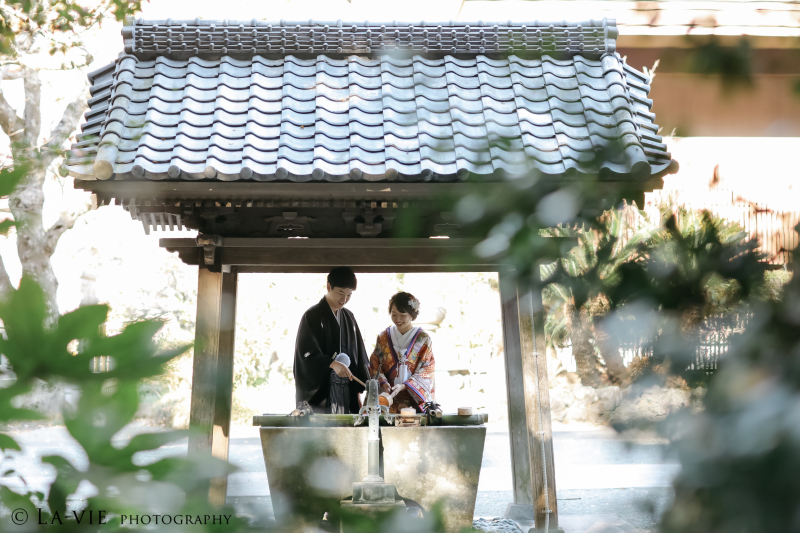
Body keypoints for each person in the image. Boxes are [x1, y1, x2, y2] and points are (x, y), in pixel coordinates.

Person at [293, 267, 369, 414]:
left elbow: (359, 354)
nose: (344, 299)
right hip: (323, 393)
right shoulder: (312, 316)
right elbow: (305, 354)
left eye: (349, 295)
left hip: (347, 390)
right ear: (329, 286)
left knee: (347, 432)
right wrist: (332, 364)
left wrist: (365, 383)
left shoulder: (349, 317)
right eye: (341, 293)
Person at [368, 292, 435, 413]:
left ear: (412, 315)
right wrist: (383, 383)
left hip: (412, 401)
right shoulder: (383, 337)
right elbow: (375, 363)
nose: (397, 319)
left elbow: (427, 369)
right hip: (387, 398)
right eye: (394, 314)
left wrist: (405, 386)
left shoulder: (423, 339)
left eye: (402, 315)